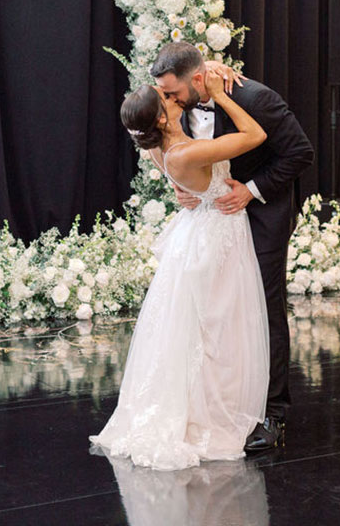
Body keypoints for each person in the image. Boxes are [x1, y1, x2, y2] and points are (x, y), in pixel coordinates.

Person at [90, 67, 271, 470]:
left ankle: (199, 403)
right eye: (168, 98)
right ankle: (210, 412)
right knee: (217, 328)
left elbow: (182, 179)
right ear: (159, 116)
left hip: (198, 232)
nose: (177, 98)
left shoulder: (157, 147)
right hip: (216, 233)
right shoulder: (186, 152)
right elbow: (255, 136)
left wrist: (186, 188)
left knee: (199, 327)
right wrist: (222, 97)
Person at [150, 42, 314, 452]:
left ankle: (273, 413)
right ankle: (226, 401)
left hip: (261, 216)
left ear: (199, 78)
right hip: (213, 220)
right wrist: (182, 185)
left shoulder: (254, 98)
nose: (166, 101)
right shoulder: (176, 95)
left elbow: (300, 152)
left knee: (263, 305)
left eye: (172, 94)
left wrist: (252, 190)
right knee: (216, 309)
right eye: (164, 93)